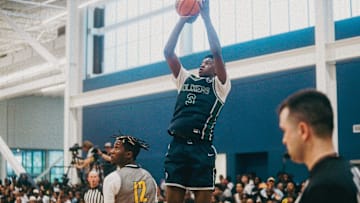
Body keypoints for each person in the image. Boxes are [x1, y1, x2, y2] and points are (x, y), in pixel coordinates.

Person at [163, 0, 231, 202]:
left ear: (217, 68)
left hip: (201, 148)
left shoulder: (220, 86)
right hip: (177, 146)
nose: (203, 65)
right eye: (202, 62)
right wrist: (182, 19)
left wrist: (206, 17)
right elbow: (168, 52)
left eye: (208, 63)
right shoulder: (186, 79)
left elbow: (217, 52)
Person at [278, 89, 359, 203]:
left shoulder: (324, 187)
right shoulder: (349, 170)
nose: (284, 140)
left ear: (303, 130)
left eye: (285, 131)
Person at [103, 135, 157, 203]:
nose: (111, 151)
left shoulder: (112, 179)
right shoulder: (150, 178)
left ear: (128, 154)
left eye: (116, 148)